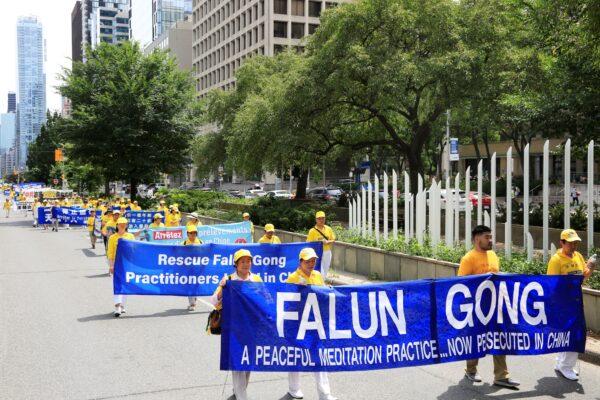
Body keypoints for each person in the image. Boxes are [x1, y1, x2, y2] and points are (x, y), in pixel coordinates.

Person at [458, 225, 520, 388]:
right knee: (475, 339)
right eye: (487, 237)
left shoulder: (493, 255)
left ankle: (501, 376)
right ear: (477, 239)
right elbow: (461, 285)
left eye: (491, 237)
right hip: (477, 308)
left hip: (495, 306)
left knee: (499, 338)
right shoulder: (468, 259)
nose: (491, 240)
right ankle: (471, 370)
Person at [210, 249, 263, 400]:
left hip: (252, 329)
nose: (246, 264)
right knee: (237, 364)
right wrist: (223, 288)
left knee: (247, 364)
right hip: (234, 329)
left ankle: (238, 392)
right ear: (236, 264)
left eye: (248, 261)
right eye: (243, 261)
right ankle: (241, 397)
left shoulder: (257, 279)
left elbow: (266, 300)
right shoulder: (229, 280)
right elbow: (214, 301)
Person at [286, 247, 337, 400]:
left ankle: (324, 393)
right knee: (295, 356)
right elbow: (286, 301)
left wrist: (327, 291)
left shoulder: (318, 275)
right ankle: (294, 389)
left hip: (315, 322)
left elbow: (322, 297)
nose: (311, 263)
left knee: (318, 356)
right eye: (308, 261)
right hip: (298, 323)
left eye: (313, 260)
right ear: (300, 262)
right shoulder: (292, 278)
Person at [547, 229, 595, 381]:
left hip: (576, 300)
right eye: (570, 243)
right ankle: (566, 366)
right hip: (563, 303)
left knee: (569, 333)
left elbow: (582, 277)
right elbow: (551, 284)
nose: (574, 245)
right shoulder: (556, 260)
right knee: (572, 333)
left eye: (576, 242)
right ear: (562, 242)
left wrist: (590, 268)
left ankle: (561, 363)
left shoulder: (578, 256)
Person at [107, 217, 135, 317]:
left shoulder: (130, 236)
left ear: (127, 225)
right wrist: (111, 265)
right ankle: (117, 306)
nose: (122, 225)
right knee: (118, 284)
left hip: (127, 263)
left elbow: (134, 250)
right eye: (120, 224)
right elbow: (110, 252)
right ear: (117, 225)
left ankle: (122, 305)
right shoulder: (112, 238)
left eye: (124, 224)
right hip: (116, 262)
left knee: (125, 284)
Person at [306, 211, 336, 279]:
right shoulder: (312, 231)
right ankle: (321, 285)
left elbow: (333, 239)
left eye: (323, 218)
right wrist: (318, 242)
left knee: (325, 271)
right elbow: (308, 244)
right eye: (319, 218)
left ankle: (322, 284)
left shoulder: (328, 229)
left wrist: (328, 242)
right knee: (320, 272)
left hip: (327, 252)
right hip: (317, 254)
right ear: (316, 220)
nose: (321, 220)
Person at [182, 225, 203, 311]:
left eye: (195, 233)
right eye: (191, 233)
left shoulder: (201, 242)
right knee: (189, 285)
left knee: (195, 285)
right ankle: (192, 303)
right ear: (187, 234)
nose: (193, 235)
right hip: (188, 268)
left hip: (197, 268)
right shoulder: (183, 243)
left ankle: (193, 301)